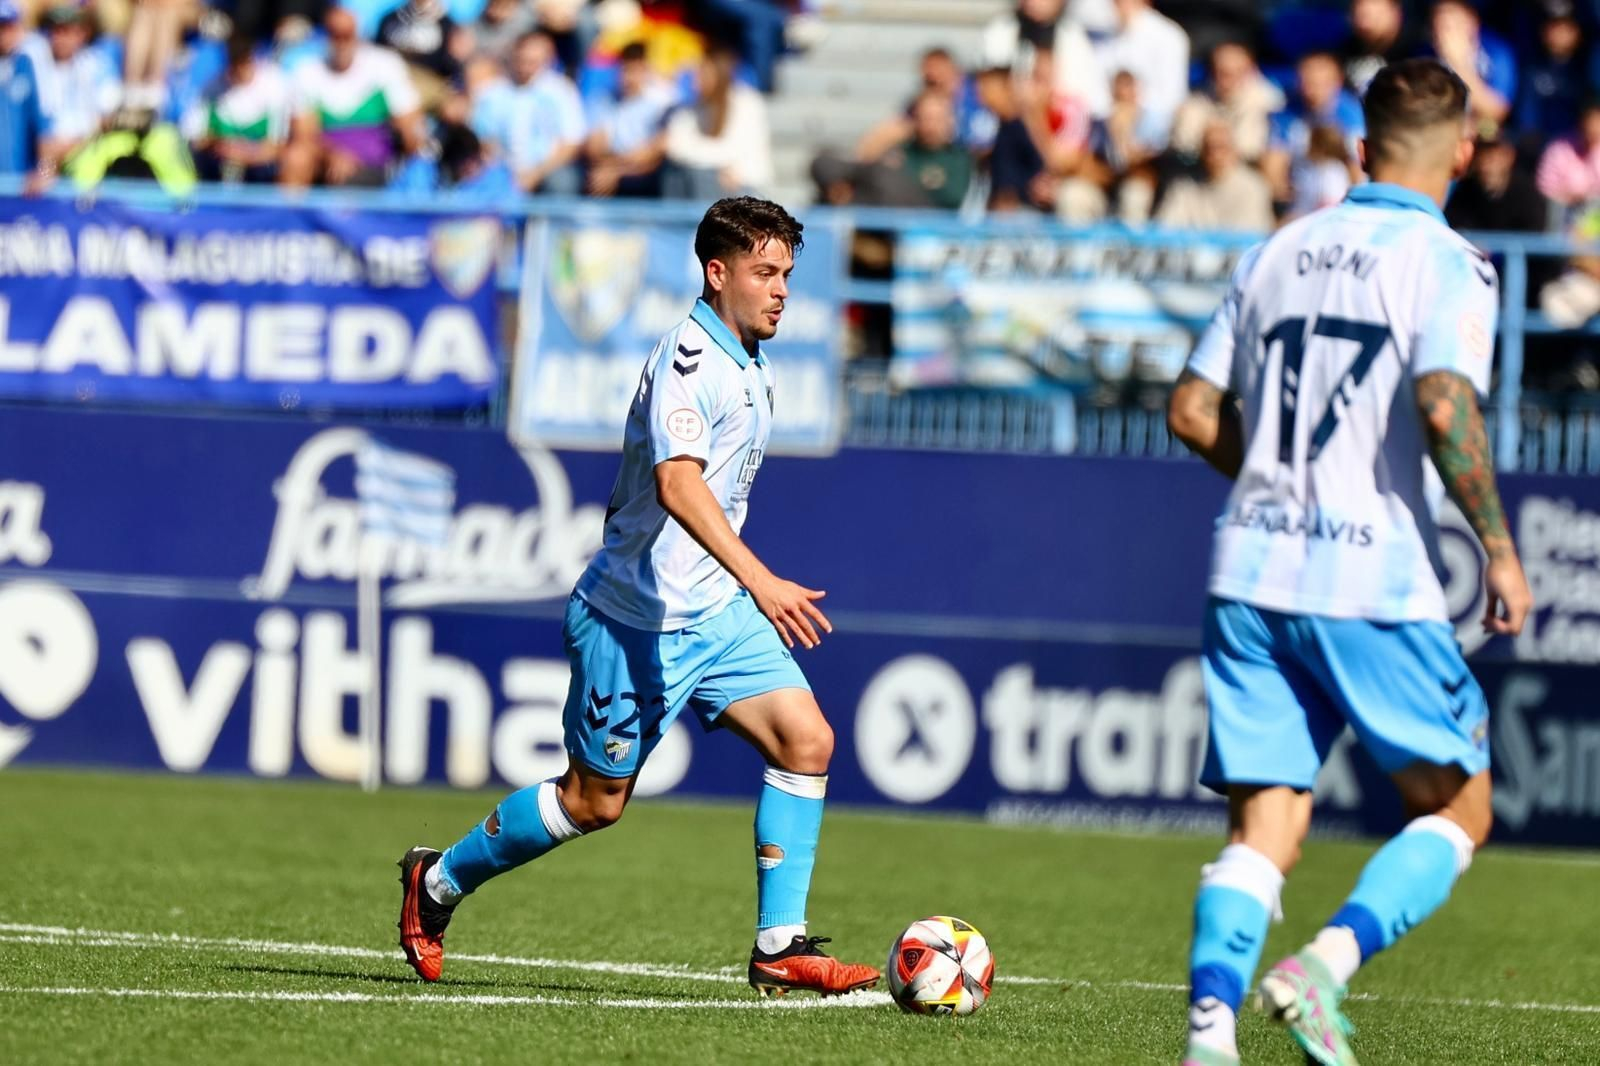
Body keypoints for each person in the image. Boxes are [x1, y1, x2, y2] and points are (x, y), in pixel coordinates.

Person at [397, 196, 882, 1001]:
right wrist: (762, 579)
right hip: (633, 622)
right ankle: (437, 883)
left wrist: (740, 587)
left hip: (715, 614)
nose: (781, 290)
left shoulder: (751, 361)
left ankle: (778, 945)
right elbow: (676, 482)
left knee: (808, 741)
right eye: (765, 273)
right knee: (593, 804)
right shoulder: (690, 357)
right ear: (716, 272)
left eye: (788, 274)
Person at [1167, 58, 1532, 1066]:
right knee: (1460, 805)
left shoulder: (1277, 248)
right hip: (1365, 574)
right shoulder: (1448, 260)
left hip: (1246, 571)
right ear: (1461, 153)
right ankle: (1322, 965)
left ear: (1360, 150)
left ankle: (1208, 1035)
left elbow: (1192, 409)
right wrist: (1498, 551)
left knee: (1266, 820)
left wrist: (1269, 488)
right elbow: (1445, 403)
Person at [279, 8, 425, 188]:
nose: (341, 43)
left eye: (346, 35)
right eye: (335, 35)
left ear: (357, 35)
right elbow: (303, 134)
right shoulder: (306, 72)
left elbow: (410, 127)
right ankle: (290, 214)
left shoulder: (386, 66)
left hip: (374, 163)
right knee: (296, 158)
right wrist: (333, 155)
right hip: (325, 160)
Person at [663, 44, 772, 200]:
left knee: (702, 174)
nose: (695, 80)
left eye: (702, 73)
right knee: (676, 172)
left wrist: (718, 163)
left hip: (745, 189)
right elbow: (674, 145)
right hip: (712, 180)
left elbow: (732, 151)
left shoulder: (747, 102)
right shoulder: (694, 107)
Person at [185, 36, 293, 184]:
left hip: (261, 171)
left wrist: (244, 154)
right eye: (234, 64)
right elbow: (194, 138)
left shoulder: (275, 85)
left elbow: (278, 145)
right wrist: (218, 143)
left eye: (244, 63)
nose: (239, 70)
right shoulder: (209, 89)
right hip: (216, 165)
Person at [585, 40, 676, 197]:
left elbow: (654, 153)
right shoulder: (604, 100)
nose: (629, 78)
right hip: (610, 169)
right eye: (625, 70)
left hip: (644, 176)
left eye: (635, 71)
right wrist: (612, 169)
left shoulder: (663, 102)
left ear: (646, 70)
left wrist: (616, 171)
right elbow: (594, 147)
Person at [1155, 120, 1273, 233]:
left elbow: (1249, 234)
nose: (1215, 155)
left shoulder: (1253, 187)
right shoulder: (1184, 185)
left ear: (1234, 150)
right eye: (1209, 148)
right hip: (1190, 251)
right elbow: (1166, 227)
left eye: (1221, 147)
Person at [1339, 0, 1422, 96]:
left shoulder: (1416, 54)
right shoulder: (1342, 52)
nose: (1364, 9)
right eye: (1358, 4)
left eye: (1374, 3)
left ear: (1395, 11)